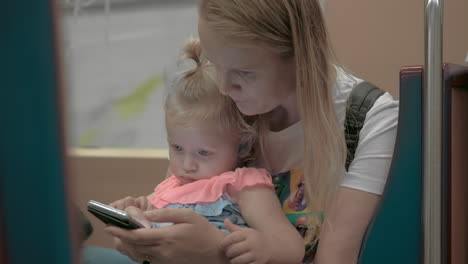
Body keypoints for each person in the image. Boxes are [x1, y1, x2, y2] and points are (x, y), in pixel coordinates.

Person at [101, 1, 398, 263]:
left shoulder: (368, 118)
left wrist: (218, 253)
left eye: (245, 73)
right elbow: (179, 195)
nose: (224, 88)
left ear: (299, 56)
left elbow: (335, 259)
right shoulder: (219, 101)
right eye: (215, 64)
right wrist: (148, 237)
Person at [106, 38, 304, 264]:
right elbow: (148, 225)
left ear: (243, 145)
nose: (187, 164)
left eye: (204, 153)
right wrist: (132, 212)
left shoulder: (242, 186)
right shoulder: (172, 184)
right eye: (177, 148)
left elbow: (292, 247)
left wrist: (265, 248)